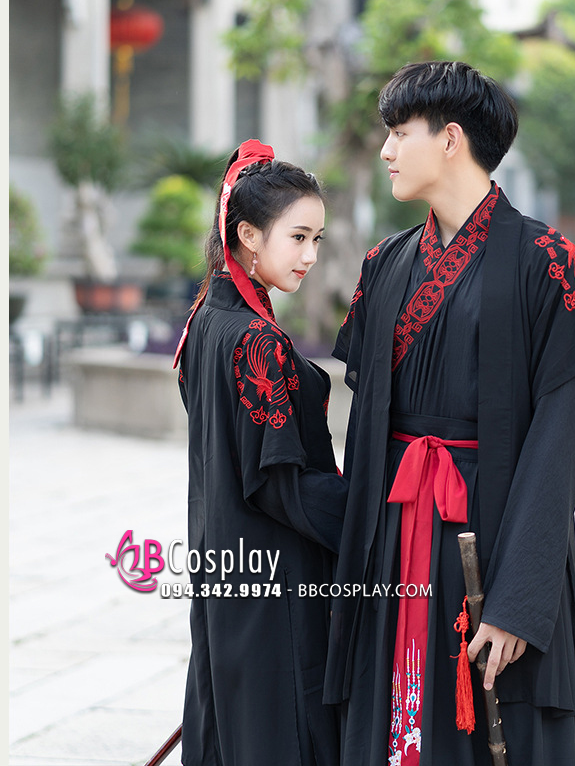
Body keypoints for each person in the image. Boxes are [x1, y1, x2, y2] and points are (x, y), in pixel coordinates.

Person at [324, 62, 575, 766]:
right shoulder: (385, 263)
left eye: (400, 133)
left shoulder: (551, 264)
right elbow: (363, 429)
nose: (386, 150)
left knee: (490, 719)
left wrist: (518, 601)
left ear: (451, 139)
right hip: (396, 534)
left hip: (488, 531)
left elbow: (559, 443)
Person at [173, 139, 347, 766]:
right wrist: (373, 508)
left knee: (232, 725)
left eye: (317, 239)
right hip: (277, 578)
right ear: (248, 235)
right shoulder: (254, 340)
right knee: (282, 732)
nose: (310, 255)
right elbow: (277, 484)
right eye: (297, 237)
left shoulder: (205, 318)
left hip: (224, 564)